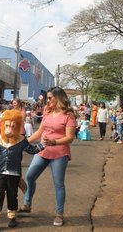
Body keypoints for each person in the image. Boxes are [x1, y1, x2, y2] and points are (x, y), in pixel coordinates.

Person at [19, 86, 76, 227]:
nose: (47, 100)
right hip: (43, 151)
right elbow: (39, 132)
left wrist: (54, 142)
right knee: (30, 176)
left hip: (59, 153)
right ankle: (27, 204)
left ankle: (59, 214)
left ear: (59, 98)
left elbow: (70, 138)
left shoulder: (68, 115)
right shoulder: (47, 111)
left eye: (50, 98)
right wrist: (24, 143)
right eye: (47, 98)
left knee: (58, 185)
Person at [0, 109, 44, 230]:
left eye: (12, 126)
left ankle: (12, 217)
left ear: (17, 127)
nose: (9, 129)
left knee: (12, 196)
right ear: (3, 124)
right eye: (7, 125)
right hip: (0, 173)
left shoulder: (21, 140)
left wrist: (43, 145)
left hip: (14, 174)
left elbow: (32, 150)